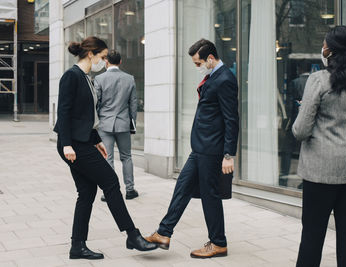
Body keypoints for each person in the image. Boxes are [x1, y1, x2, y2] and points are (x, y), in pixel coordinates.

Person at [54, 36, 158, 260]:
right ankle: (132, 235)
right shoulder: (71, 76)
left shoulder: (86, 78)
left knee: (87, 193)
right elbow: (63, 113)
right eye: (102, 57)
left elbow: (86, 117)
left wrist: (97, 140)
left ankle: (77, 246)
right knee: (110, 182)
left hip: (84, 141)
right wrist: (67, 144)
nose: (103, 61)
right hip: (74, 145)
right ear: (91, 54)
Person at [145, 39, 239, 259]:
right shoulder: (214, 76)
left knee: (210, 195)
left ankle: (218, 243)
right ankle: (163, 233)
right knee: (183, 187)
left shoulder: (225, 78)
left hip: (212, 149)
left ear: (210, 58)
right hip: (200, 147)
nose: (197, 67)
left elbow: (231, 119)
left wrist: (228, 154)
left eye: (198, 63)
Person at [292, 26, 346, 267]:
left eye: (324, 43)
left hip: (322, 169)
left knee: (313, 234)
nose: (323, 47)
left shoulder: (318, 80)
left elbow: (300, 131)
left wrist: (303, 110)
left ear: (330, 50)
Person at [94, 50, 139, 202]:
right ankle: (130, 189)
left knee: (108, 158)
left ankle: (109, 192)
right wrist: (132, 121)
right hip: (123, 124)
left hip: (105, 124)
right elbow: (133, 104)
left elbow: (96, 102)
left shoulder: (99, 78)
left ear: (106, 62)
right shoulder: (129, 78)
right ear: (120, 62)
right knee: (127, 157)